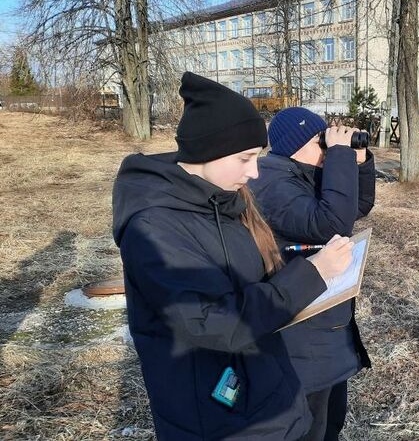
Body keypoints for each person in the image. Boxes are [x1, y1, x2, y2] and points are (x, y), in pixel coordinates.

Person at [112, 73, 354, 440]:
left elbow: (249, 284)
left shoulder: (224, 198)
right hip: (217, 418)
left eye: (256, 157)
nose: (254, 172)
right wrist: (311, 275)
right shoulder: (153, 227)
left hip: (266, 396)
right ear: (209, 150)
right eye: (245, 158)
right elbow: (212, 321)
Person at [249, 107, 375, 441]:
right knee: (310, 428)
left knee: (331, 421)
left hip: (324, 322)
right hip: (301, 333)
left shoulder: (302, 174)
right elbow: (331, 224)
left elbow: (357, 206)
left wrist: (358, 162)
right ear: (297, 145)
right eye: (321, 141)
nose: (327, 147)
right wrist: (338, 156)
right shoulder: (272, 183)